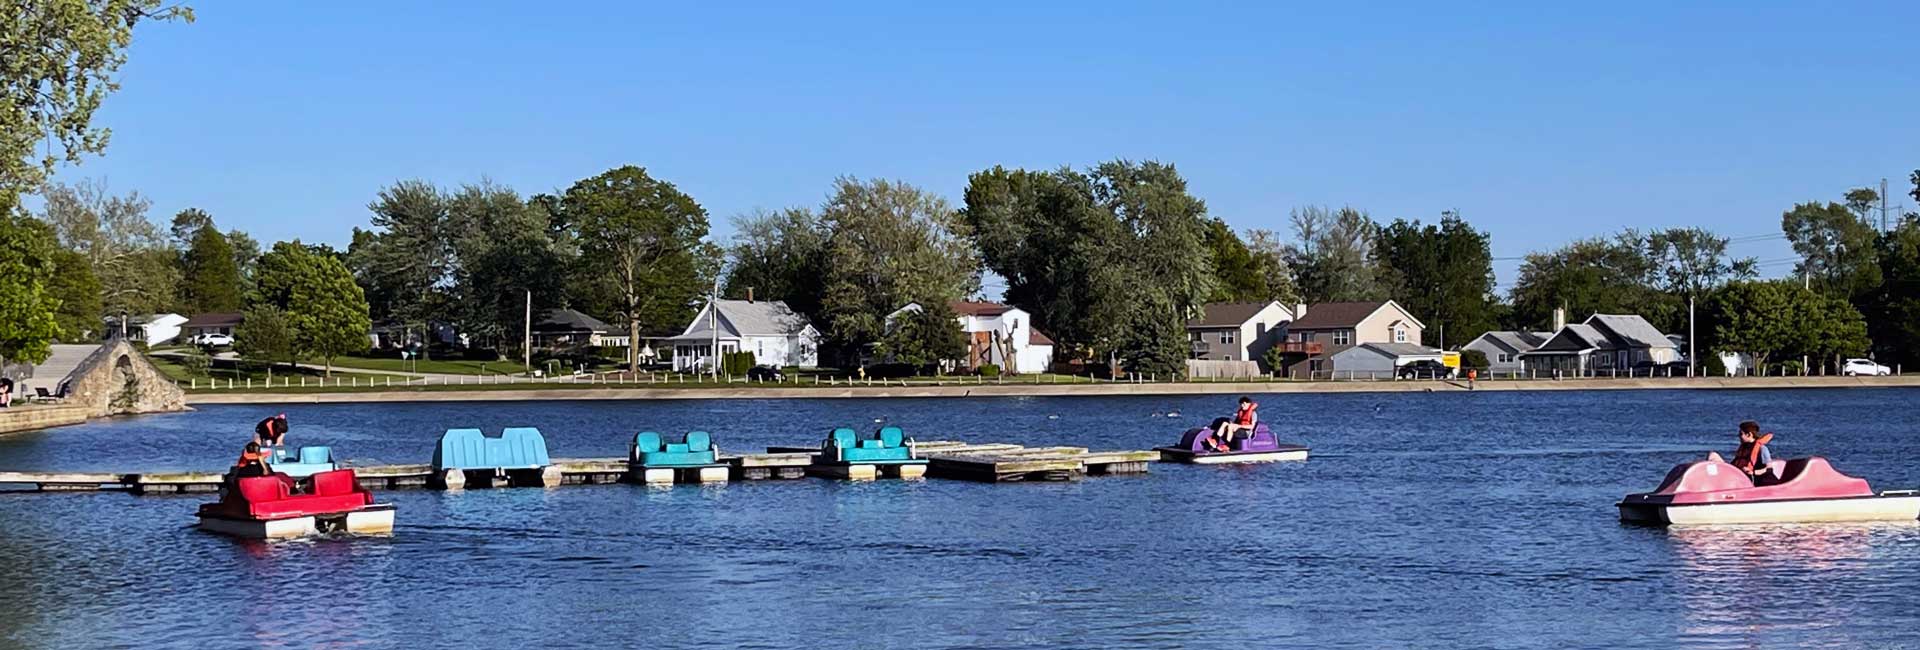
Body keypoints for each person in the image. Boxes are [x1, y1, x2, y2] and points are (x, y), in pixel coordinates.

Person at [1731, 420, 1775, 485]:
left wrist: (1753, 472)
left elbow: (1769, 469)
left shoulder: (1762, 449)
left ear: (1749, 434)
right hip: (1743, 479)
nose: (1739, 436)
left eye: (1741, 434)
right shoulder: (1743, 449)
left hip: (1761, 482)